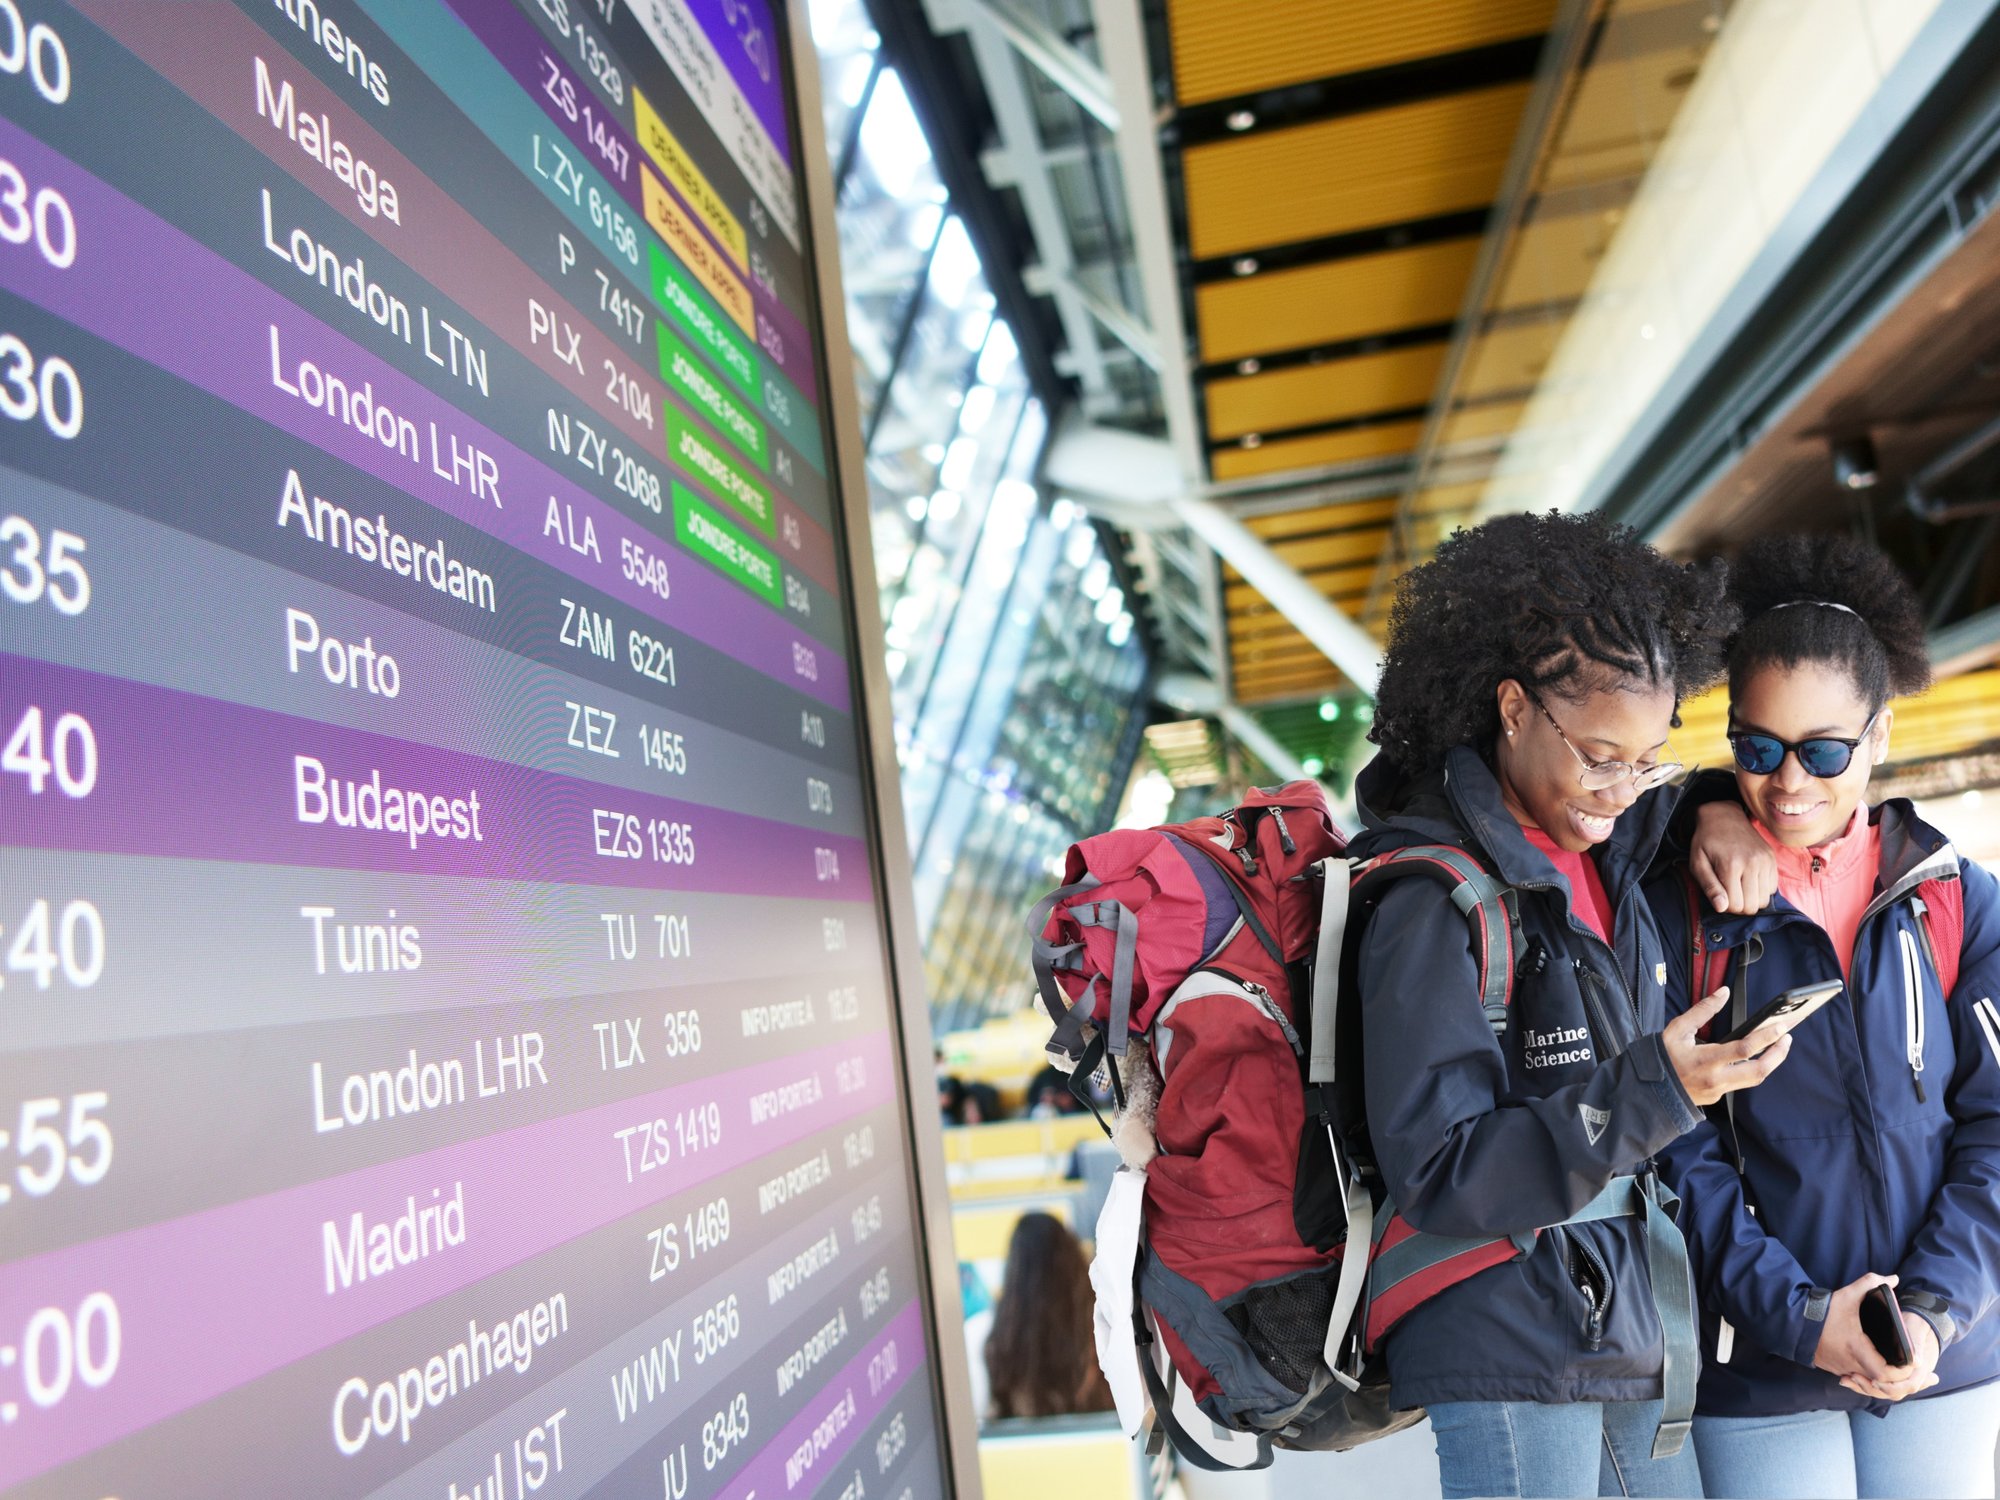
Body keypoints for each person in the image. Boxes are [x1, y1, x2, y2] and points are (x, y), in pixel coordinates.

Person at [1348, 511, 1788, 1499]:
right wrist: (1657, 1089)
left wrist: (1714, 800)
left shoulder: (1613, 846)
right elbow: (1441, 1168)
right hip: (1503, 1328)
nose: (1620, 789)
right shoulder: (1429, 899)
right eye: (1598, 755)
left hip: (1617, 1306)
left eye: (1646, 759)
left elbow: (1666, 804)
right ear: (1512, 708)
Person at [1645, 534, 2000, 1499]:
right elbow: (1678, 1154)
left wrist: (1933, 1313)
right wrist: (1801, 1319)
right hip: (1760, 1367)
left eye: (1824, 750)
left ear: (1878, 736)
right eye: (1757, 749)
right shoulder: (1681, 913)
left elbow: (1993, 1130)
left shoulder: (1955, 901)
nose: (1789, 781)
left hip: (1942, 1358)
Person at [982, 1211, 1113, 1419]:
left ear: (1014, 1268)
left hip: (1031, 1439)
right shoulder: (1098, 1319)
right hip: (1111, 1434)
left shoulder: (1001, 1343)